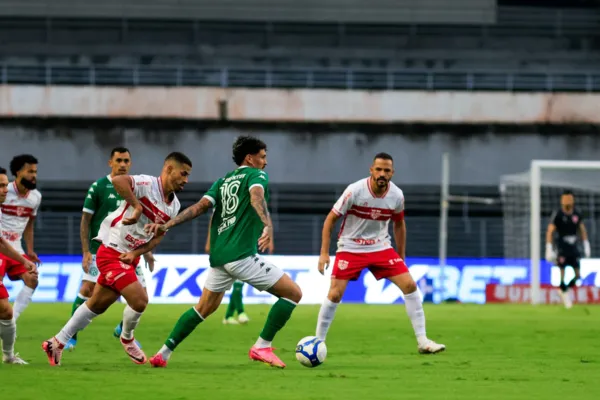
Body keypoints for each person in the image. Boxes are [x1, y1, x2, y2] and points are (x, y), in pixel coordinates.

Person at [146, 136, 302, 369]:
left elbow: (199, 207)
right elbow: (256, 196)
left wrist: (166, 225)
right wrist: (267, 224)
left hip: (220, 257)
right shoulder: (256, 175)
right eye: (262, 157)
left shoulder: (222, 181)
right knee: (293, 293)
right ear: (250, 158)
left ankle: (163, 354)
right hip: (240, 255)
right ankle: (262, 346)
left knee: (203, 308)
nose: (265, 162)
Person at [42, 152, 192, 366]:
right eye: (183, 174)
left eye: (188, 176)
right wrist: (137, 206)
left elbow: (156, 239)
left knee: (96, 305)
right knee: (140, 301)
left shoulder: (174, 206)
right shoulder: (147, 184)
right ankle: (127, 338)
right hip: (111, 250)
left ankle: (56, 342)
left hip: (129, 256)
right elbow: (119, 180)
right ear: (168, 169)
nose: (186, 180)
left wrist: (136, 253)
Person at [314, 153, 445, 355]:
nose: (382, 174)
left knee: (410, 285)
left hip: (380, 247)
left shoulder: (397, 195)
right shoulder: (355, 191)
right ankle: (317, 342)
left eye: (386, 170)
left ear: (392, 173)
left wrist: (401, 257)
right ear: (371, 170)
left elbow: (399, 224)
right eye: (379, 169)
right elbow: (330, 219)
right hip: (351, 247)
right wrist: (324, 253)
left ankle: (423, 341)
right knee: (335, 293)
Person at [65, 147, 156, 351]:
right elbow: (85, 220)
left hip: (127, 252)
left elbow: (140, 225)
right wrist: (86, 251)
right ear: (110, 163)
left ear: (130, 164)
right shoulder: (99, 187)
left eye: (126, 161)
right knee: (88, 290)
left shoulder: (135, 188)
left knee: (142, 296)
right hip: (101, 250)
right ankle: (71, 336)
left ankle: (123, 331)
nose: (123, 164)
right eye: (119, 160)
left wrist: (147, 252)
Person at [0, 166, 38, 364]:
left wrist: (25, 258)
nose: (5, 190)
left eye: (5, 186)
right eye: (0, 186)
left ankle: (8, 356)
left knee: (6, 312)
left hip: (11, 250)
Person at [0, 154, 42, 321]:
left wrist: (30, 251)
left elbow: (29, 224)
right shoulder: (4, 190)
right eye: (30, 171)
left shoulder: (35, 197)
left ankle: (12, 320)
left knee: (32, 279)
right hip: (1, 246)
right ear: (18, 172)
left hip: (16, 248)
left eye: (35, 172)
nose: (34, 175)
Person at [545, 190, 590, 309]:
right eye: (565, 199)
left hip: (574, 248)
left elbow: (582, 230)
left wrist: (586, 244)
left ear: (572, 200)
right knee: (562, 273)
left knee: (577, 275)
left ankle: (565, 290)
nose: (567, 201)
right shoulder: (558, 214)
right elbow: (550, 231)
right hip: (562, 248)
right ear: (562, 201)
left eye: (569, 199)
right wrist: (549, 248)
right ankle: (565, 296)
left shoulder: (577, 214)